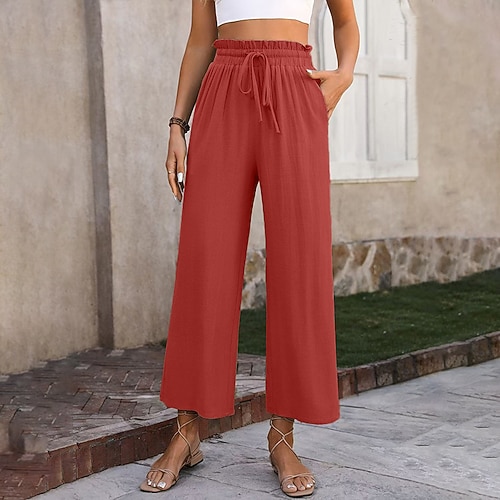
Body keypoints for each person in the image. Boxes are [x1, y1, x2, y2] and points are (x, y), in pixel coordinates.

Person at [141, 0, 359, 496]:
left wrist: (344, 74)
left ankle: (282, 437)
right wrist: (177, 125)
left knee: (299, 262)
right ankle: (186, 433)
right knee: (205, 261)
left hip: (295, 85)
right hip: (224, 87)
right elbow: (201, 38)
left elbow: (346, 21)